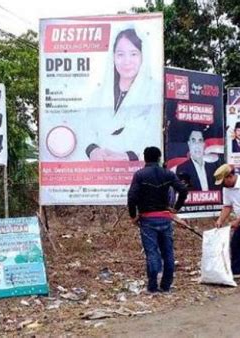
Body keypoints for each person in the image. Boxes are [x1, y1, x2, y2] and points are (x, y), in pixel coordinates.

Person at [85, 28, 162, 162]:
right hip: (99, 175)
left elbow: (154, 138)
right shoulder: (99, 95)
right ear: (113, 56)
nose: (127, 61)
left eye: (133, 54)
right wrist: (93, 149)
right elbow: (85, 129)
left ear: (143, 56)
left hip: (138, 175)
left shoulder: (154, 92)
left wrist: (127, 157)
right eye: (120, 54)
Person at [128, 147, 188, 293]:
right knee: (168, 252)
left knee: (152, 253)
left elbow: (132, 197)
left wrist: (133, 215)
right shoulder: (167, 173)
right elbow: (183, 190)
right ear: (159, 158)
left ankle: (153, 287)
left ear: (145, 158)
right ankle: (166, 286)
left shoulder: (140, 175)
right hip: (165, 218)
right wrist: (176, 208)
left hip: (147, 219)